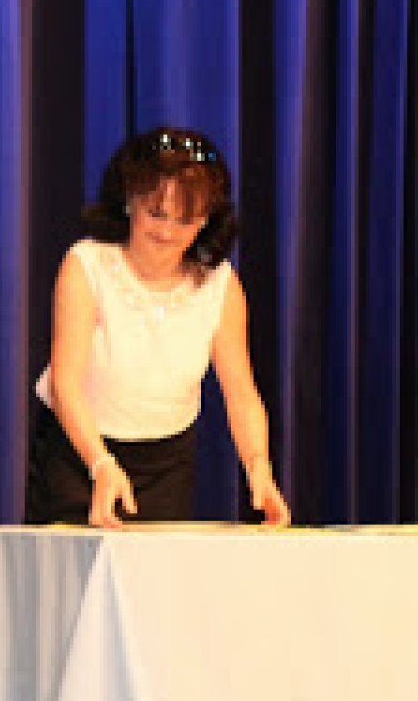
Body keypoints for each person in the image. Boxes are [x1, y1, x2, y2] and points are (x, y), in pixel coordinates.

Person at [26, 127, 290, 529]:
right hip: (79, 456)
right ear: (130, 201)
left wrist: (259, 468)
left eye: (185, 220)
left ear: (205, 222)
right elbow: (65, 383)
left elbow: (241, 392)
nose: (167, 232)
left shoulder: (220, 284)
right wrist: (100, 463)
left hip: (166, 464)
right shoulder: (88, 264)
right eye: (156, 214)